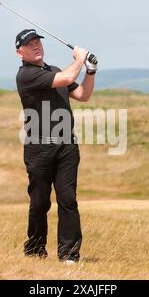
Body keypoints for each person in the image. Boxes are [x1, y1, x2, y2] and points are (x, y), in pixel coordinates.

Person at [15, 29, 97, 263]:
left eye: (37, 42)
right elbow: (69, 79)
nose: (35, 46)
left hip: (66, 147)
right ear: (19, 52)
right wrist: (80, 58)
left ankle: (69, 255)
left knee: (67, 199)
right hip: (39, 149)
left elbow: (82, 94)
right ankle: (35, 250)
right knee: (40, 203)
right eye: (29, 44)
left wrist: (90, 70)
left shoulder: (55, 71)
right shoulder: (26, 75)